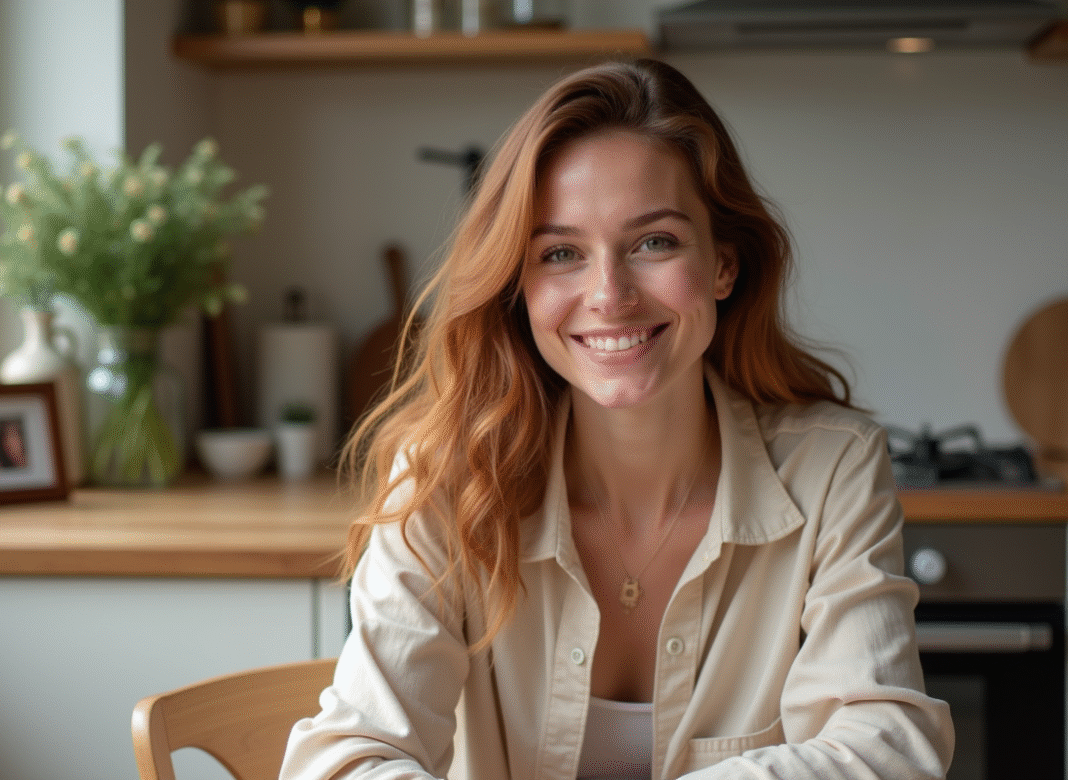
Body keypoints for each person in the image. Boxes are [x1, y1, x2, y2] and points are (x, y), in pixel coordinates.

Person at [281, 59, 954, 779]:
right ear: (521, 286)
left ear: (723, 264)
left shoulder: (832, 468)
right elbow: (347, 760)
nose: (609, 294)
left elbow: (889, 746)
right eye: (562, 253)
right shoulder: (446, 478)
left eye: (653, 242)